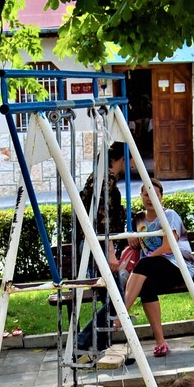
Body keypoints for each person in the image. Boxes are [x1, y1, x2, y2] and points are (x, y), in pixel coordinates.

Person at [113, 178, 194, 357]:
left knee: (146, 264)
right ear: (141, 196)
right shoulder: (138, 219)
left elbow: (169, 246)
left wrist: (148, 258)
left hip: (178, 264)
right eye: (146, 194)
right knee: (147, 287)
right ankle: (161, 342)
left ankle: (121, 315)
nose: (150, 198)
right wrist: (131, 239)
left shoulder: (169, 215)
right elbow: (136, 245)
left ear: (161, 197)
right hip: (151, 268)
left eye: (155, 194)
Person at [76, 142, 127, 353]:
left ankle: (102, 346)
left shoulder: (96, 180)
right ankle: (82, 340)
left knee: (110, 297)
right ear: (119, 160)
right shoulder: (106, 183)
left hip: (92, 245)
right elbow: (103, 222)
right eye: (127, 160)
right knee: (117, 299)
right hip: (98, 246)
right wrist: (111, 252)